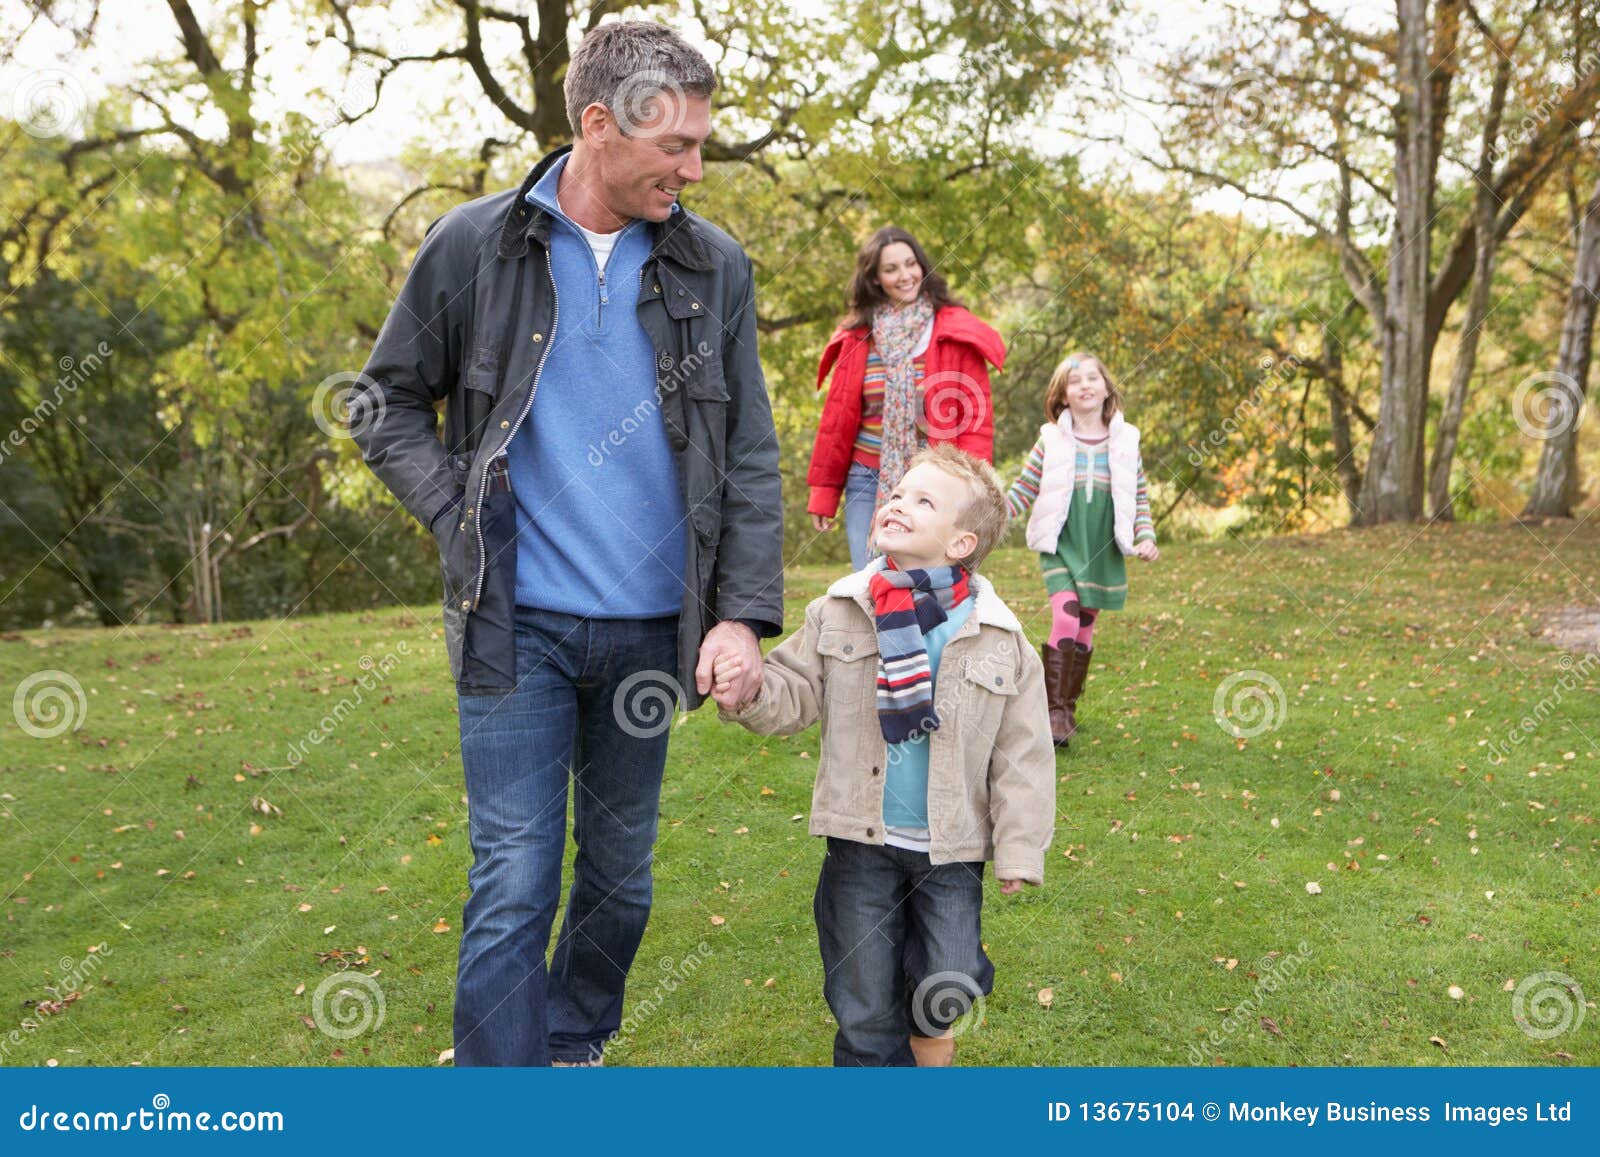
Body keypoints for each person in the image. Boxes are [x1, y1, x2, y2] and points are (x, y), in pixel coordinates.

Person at [350, 19, 782, 1066]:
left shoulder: (711, 265)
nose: (693, 166)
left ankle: (573, 1040)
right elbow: (383, 403)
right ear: (597, 124)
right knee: (512, 874)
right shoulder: (474, 244)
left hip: (650, 633)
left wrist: (738, 612)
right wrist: (457, 510)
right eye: (674, 146)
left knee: (619, 878)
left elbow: (750, 454)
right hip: (516, 625)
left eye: (700, 144)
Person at [713, 444, 1055, 1066]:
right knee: (864, 1002)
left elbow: (1023, 756)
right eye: (898, 492)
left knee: (945, 984)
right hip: (860, 841)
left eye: (924, 501)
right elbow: (794, 693)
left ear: (961, 544)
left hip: (951, 847)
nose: (898, 501)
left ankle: (928, 1038)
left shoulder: (1002, 639)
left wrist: (1021, 848)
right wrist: (750, 688)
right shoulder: (841, 609)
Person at [806, 227, 1006, 570]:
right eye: (891, 269)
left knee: (929, 579)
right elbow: (837, 420)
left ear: (923, 266)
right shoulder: (858, 336)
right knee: (870, 579)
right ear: (875, 279)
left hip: (935, 483)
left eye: (910, 264)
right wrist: (824, 494)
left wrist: (972, 493)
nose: (905, 276)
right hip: (867, 480)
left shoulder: (954, 332)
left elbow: (974, 418)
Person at [1004, 352, 1158, 746]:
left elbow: (1137, 495)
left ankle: (1067, 706)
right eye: (1075, 381)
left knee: (1085, 626)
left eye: (1093, 378)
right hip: (1061, 542)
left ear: (1107, 388)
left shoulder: (1126, 440)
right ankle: (1053, 709)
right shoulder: (1051, 439)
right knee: (1067, 617)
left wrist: (1145, 536)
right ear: (1062, 395)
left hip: (1101, 545)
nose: (1086, 385)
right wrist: (997, 513)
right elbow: (1024, 487)